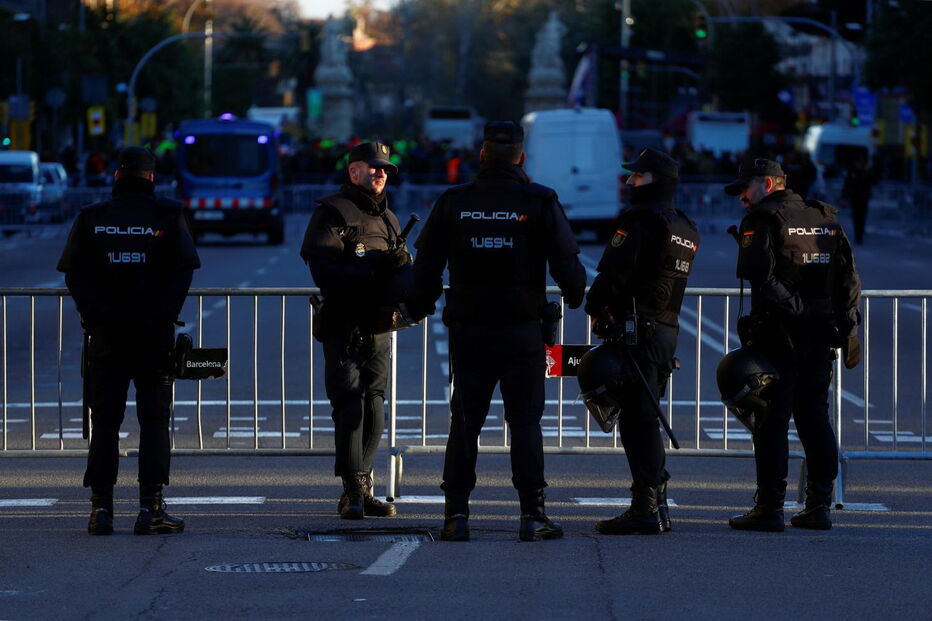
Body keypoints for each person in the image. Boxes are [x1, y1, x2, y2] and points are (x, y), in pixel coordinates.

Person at [412, 120, 587, 542]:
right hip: (523, 331)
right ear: (522, 157)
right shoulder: (539, 201)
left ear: (482, 155)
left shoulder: (455, 202)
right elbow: (571, 271)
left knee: (465, 422)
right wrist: (575, 294)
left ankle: (456, 515)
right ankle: (532, 515)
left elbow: (425, 271)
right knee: (525, 422)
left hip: (470, 331)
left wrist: (417, 306)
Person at [57, 147, 201, 536]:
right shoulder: (169, 215)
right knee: (154, 421)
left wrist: (95, 315)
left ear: (117, 175)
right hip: (153, 337)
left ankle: (100, 510)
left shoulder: (93, 217)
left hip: (106, 337)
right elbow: (184, 269)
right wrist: (163, 314)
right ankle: (150, 509)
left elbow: (73, 274)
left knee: (105, 422)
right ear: (151, 177)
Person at [724, 158, 861, 532]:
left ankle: (769, 508)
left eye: (745, 188)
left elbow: (759, 275)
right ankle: (819, 505)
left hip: (778, 335)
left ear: (768, 184)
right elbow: (849, 278)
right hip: (820, 334)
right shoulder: (823, 216)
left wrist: (794, 309)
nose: (741, 198)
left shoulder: (764, 219)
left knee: (771, 422)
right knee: (814, 418)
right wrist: (844, 323)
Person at [584, 148, 700, 535]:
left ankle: (645, 507)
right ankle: (656, 504)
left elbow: (615, 273)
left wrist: (594, 305)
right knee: (645, 416)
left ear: (656, 181)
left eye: (637, 176)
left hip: (638, 331)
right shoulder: (684, 225)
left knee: (638, 422)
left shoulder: (640, 220)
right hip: (665, 331)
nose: (630, 181)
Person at [300, 141, 411, 520]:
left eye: (385, 169)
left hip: (379, 326)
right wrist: (372, 271)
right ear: (353, 172)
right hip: (345, 324)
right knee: (349, 408)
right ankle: (350, 492)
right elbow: (322, 269)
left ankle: (364, 486)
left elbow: (402, 276)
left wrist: (401, 267)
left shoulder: (390, 219)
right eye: (373, 167)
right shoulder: (333, 212)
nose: (381, 173)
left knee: (375, 405)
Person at [841, 156, 872, 245]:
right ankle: (857, 235)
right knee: (856, 217)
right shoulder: (852, 173)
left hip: (863, 198)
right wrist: (844, 196)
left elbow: (870, 183)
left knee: (862, 218)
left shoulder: (865, 173)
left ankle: (860, 236)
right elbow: (847, 184)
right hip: (855, 198)